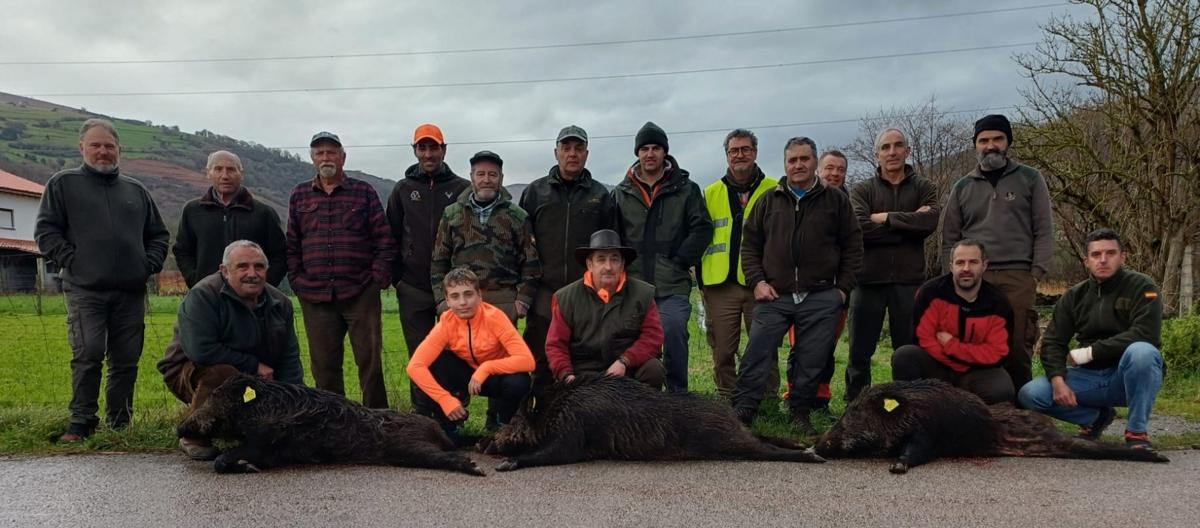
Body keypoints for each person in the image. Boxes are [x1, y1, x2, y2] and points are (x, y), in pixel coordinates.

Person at [35, 118, 171, 442]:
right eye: (96, 145)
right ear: (82, 148)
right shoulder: (63, 184)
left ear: (119, 150)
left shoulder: (136, 191)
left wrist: (147, 264)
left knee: (126, 359)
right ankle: (81, 423)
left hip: (131, 290)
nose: (103, 151)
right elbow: (46, 231)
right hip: (85, 289)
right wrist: (73, 261)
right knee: (89, 352)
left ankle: (120, 424)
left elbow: (159, 235)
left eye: (109, 146)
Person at [731, 136, 862, 435]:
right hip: (774, 295)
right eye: (793, 160)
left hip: (820, 295)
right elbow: (749, 246)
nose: (798, 165)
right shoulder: (768, 200)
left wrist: (841, 290)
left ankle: (799, 411)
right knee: (757, 353)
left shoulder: (836, 201)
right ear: (785, 164)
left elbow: (853, 246)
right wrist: (758, 282)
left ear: (815, 162)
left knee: (811, 359)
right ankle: (743, 410)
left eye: (804, 159)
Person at [157, 240, 305, 460]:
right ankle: (194, 435)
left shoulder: (280, 303)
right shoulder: (203, 296)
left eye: (259, 267)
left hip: (255, 378)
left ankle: (239, 431)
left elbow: (289, 357)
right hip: (190, 372)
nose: (252, 273)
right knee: (224, 374)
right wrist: (254, 365)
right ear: (224, 271)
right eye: (242, 266)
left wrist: (297, 401)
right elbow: (201, 350)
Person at [1018, 229, 1164, 450]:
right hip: (1089, 377)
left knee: (1142, 351)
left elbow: (1146, 334)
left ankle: (1137, 433)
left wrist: (1090, 352)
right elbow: (1053, 343)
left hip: (1128, 377)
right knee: (1030, 394)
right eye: (1096, 255)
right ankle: (1095, 418)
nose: (1103, 260)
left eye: (1110, 253)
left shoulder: (1143, 287)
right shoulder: (1073, 296)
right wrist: (1058, 381)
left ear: (1123, 257)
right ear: (1086, 261)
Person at [942, 114, 1053, 390]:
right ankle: (980, 407)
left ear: (1007, 142)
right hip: (974, 278)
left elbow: (1044, 229)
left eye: (997, 139)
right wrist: (952, 277)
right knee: (973, 342)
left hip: (1018, 275)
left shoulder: (1030, 178)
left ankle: (1022, 411)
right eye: (983, 140)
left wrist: (1035, 274)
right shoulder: (962, 187)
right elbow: (949, 238)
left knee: (1016, 344)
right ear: (975, 145)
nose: (990, 145)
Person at [286, 131, 395, 408]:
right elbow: (292, 243)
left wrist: (377, 279)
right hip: (316, 296)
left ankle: (377, 423)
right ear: (312, 159)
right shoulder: (299, 195)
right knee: (324, 366)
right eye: (320, 153)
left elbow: (384, 239)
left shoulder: (364, 192)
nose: (326, 157)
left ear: (343, 157)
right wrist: (297, 280)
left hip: (360, 292)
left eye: (332, 152)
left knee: (370, 364)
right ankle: (334, 423)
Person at [612, 121, 713, 393]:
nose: (650, 154)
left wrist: (681, 259)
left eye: (656, 148)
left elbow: (702, 227)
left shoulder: (686, 188)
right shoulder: (622, 192)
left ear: (665, 152)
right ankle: (638, 395)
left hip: (672, 282)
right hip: (633, 284)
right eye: (644, 148)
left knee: (674, 330)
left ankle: (678, 397)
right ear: (637, 153)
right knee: (629, 338)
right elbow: (614, 235)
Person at [845, 128, 940, 401]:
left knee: (908, 350)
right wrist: (909, 223)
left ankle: (910, 405)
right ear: (877, 155)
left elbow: (930, 223)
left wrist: (884, 217)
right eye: (886, 147)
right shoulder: (862, 190)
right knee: (859, 352)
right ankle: (857, 405)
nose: (892, 152)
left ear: (907, 151)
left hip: (909, 282)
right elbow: (860, 228)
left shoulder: (925, 187)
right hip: (868, 281)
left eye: (898, 146)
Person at [519, 125, 615, 385]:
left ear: (587, 153)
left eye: (578, 148)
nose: (572, 153)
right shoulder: (535, 192)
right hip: (544, 291)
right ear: (556, 152)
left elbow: (609, 247)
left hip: (586, 291)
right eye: (566, 148)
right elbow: (522, 242)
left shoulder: (600, 195)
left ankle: (581, 414)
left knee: (584, 357)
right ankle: (539, 414)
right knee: (540, 356)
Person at [386, 123, 471, 405]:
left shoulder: (462, 188)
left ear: (444, 150)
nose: (428, 153)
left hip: (454, 290)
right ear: (415, 151)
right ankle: (423, 418)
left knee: (457, 353)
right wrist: (398, 278)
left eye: (434, 147)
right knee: (421, 356)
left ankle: (455, 415)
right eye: (422, 147)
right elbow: (392, 235)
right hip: (414, 288)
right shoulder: (402, 190)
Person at [406, 267, 534, 439]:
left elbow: (527, 361)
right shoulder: (446, 323)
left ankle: (504, 428)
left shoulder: (495, 317)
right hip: (466, 374)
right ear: (447, 301)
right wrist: (445, 399)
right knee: (438, 363)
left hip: (496, 378)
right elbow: (415, 366)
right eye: (455, 296)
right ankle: (449, 429)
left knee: (519, 381)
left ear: (479, 296)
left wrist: (487, 368)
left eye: (468, 294)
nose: (462, 302)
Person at [699, 128, 778, 399]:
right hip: (720, 285)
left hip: (762, 284)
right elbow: (699, 238)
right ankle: (728, 399)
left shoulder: (775, 189)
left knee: (764, 346)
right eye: (734, 151)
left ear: (755, 153)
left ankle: (766, 400)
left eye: (745, 149)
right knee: (722, 350)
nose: (739, 155)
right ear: (726, 156)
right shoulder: (710, 193)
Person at [891, 239, 1014, 404]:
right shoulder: (930, 293)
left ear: (984, 265)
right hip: (936, 366)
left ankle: (973, 421)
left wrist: (953, 346)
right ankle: (915, 413)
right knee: (904, 356)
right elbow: (922, 339)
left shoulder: (998, 303)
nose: (966, 269)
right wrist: (966, 354)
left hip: (976, 371)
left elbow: (998, 353)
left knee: (1001, 388)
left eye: (973, 262)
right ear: (951, 266)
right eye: (960, 262)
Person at [545, 229, 666, 389]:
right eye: (601, 259)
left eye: (614, 259)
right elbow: (555, 345)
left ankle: (645, 412)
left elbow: (653, 338)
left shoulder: (642, 294)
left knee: (654, 370)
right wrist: (567, 376)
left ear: (622, 264)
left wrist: (624, 361)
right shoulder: (566, 298)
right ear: (590, 264)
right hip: (584, 375)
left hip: (627, 372)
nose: (608, 267)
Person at [430, 150, 540, 323]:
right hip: (461, 301)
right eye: (480, 174)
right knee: (462, 350)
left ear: (501, 178)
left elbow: (530, 263)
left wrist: (522, 300)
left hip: (503, 302)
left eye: (492, 174)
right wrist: (441, 301)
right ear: (472, 177)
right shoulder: (452, 214)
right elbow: (439, 261)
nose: (486, 180)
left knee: (502, 350)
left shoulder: (517, 216)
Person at [173, 150, 287, 288]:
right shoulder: (192, 211)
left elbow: (281, 255)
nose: (225, 175)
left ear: (242, 174)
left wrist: (264, 285)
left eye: (231, 169)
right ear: (208, 173)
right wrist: (195, 280)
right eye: (218, 169)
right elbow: (182, 251)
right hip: (208, 295)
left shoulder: (263, 213)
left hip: (253, 298)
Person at [813, 148, 851, 409]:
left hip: (838, 289)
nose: (835, 173)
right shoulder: (804, 199)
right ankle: (797, 397)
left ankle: (822, 398)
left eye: (840, 169)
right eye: (830, 168)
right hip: (805, 288)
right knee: (803, 347)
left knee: (828, 347)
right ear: (818, 170)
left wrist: (844, 287)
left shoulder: (851, 203)